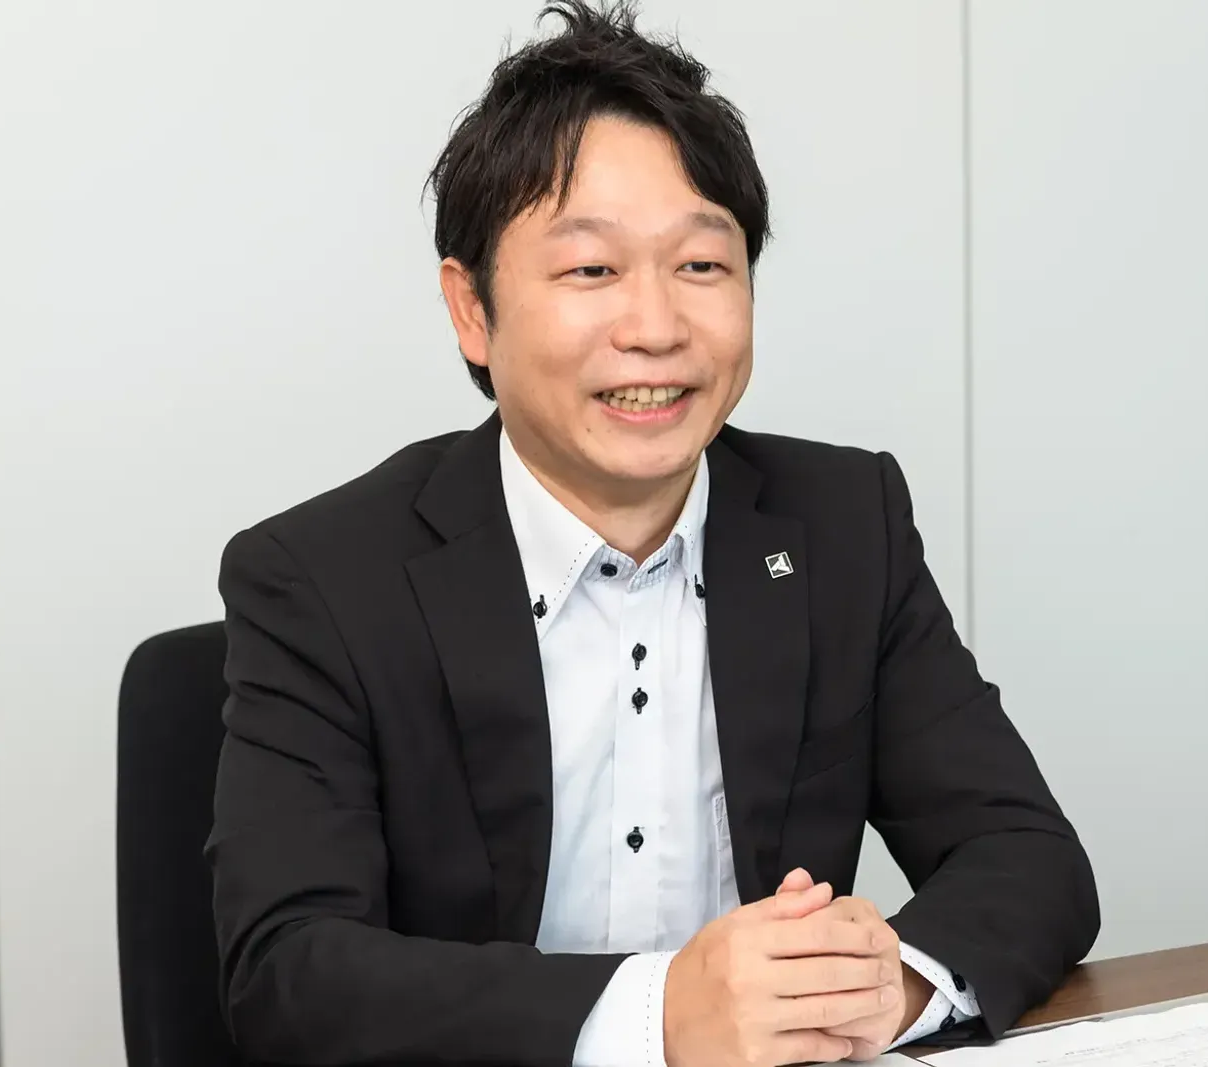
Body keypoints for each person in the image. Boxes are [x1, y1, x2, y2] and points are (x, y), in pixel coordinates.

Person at [208, 3, 1099, 1065]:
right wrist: (660, 1013)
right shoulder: (321, 580)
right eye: (591, 270)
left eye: (702, 265)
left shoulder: (841, 525)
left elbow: (1027, 854)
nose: (657, 328)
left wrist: (888, 982)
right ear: (472, 310)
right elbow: (291, 973)